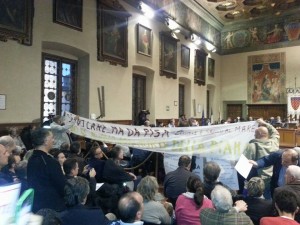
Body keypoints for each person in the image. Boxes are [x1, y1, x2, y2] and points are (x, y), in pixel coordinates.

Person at [27, 128, 66, 212]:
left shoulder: (31, 159)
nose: (53, 140)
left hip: (36, 204)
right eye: (51, 138)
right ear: (45, 141)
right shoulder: (50, 162)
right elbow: (62, 186)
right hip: (52, 206)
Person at [242, 118, 279, 199]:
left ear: (259, 134)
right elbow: (275, 132)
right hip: (272, 176)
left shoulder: (251, 146)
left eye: (255, 134)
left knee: (256, 199)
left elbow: (244, 163)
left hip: (257, 179)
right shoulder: (274, 143)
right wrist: (264, 123)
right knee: (269, 198)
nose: (254, 135)